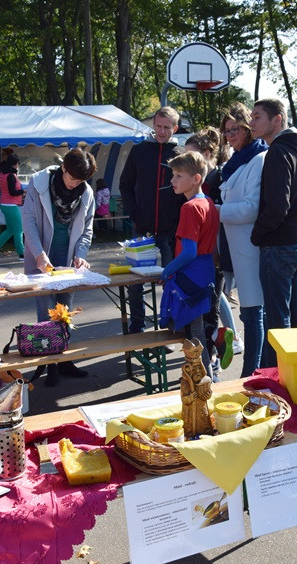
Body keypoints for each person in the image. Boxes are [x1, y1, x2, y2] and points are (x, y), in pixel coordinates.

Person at [22, 148, 97, 387]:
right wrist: (39, 255)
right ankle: (48, 363)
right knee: (45, 312)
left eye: (81, 181)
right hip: (42, 254)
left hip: (67, 257)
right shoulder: (39, 184)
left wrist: (80, 256)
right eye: (72, 178)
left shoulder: (86, 192)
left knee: (65, 310)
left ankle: (63, 358)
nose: (75, 184)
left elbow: (87, 229)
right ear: (63, 168)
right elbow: (30, 222)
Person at [250, 98, 297, 369]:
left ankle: (275, 385)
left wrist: (257, 235)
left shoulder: (279, 151)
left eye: (257, 117)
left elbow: (278, 205)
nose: (250, 122)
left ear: (277, 120)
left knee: (278, 325)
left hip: (280, 246)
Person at [119, 106, 186, 334]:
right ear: (153, 125)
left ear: (175, 128)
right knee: (136, 283)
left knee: (170, 282)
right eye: (158, 126)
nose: (161, 131)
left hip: (169, 232)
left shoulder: (180, 154)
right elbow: (125, 185)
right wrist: (135, 213)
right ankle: (137, 326)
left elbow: (187, 191)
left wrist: (178, 220)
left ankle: (168, 327)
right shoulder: (139, 152)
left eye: (166, 127)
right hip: (141, 230)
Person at [218, 102, 269, 377]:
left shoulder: (259, 158)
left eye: (235, 128)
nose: (230, 135)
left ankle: (251, 372)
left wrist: (216, 212)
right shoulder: (234, 162)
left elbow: (251, 207)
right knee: (248, 312)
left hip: (250, 246)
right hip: (233, 246)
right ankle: (252, 370)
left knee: (252, 313)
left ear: (248, 127)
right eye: (226, 131)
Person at [159, 151, 220, 372]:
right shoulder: (209, 203)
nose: (172, 180)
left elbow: (189, 252)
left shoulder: (190, 207)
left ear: (196, 179)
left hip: (190, 276)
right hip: (205, 273)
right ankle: (208, 371)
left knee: (194, 337)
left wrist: (166, 271)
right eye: (172, 175)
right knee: (198, 331)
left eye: (178, 176)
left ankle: (204, 382)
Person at [184, 129, 238, 378]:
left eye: (191, 154)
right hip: (200, 259)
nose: (185, 159)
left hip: (213, 257)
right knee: (204, 312)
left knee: (208, 311)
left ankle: (212, 367)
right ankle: (218, 343)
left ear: (206, 154)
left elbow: (221, 220)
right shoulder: (197, 182)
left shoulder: (216, 180)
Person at [0, 152, 24, 260]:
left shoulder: (2, 173)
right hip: (11, 205)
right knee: (18, 230)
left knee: (10, 230)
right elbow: (13, 192)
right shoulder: (11, 176)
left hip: (4, 204)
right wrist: (22, 191)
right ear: (16, 164)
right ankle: (22, 253)